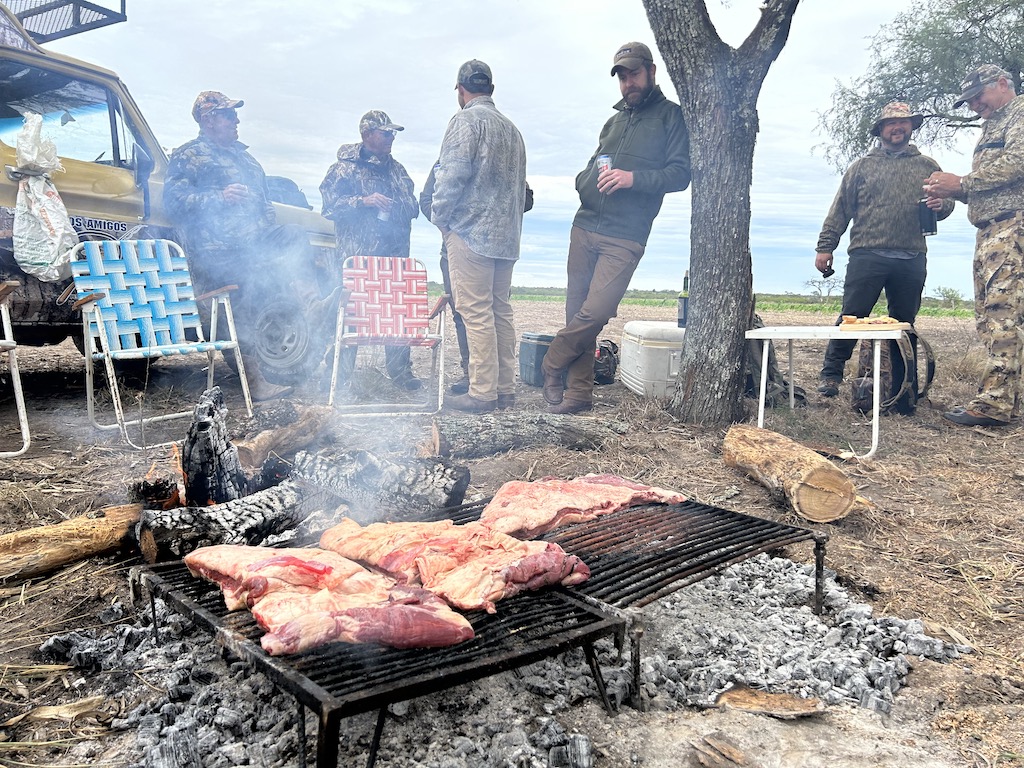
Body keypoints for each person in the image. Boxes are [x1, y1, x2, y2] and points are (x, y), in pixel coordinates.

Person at [541, 42, 690, 414]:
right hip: (585, 225)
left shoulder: (672, 117)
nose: (628, 83)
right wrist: (584, 181)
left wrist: (632, 178)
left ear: (652, 72)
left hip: (626, 235)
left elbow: (681, 174)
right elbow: (593, 164)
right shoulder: (614, 120)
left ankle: (552, 360)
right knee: (576, 312)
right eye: (622, 77)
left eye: (634, 74)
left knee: (597, 311)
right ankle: (578, 395)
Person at [164, 91, 334, 401]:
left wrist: (269, 246)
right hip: (216, 252)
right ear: (208, 118)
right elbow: (174, 203)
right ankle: (255, 381)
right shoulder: (189, 155)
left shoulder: (248, 160)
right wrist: (219, 197)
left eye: (234, 114)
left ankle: (311, 302)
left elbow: (266, 208)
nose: (236, 120)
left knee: (294, 233)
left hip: (254, 246)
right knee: (240, 296)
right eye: (229, 114)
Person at [814, 101, 955, 398]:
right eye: (891, 123)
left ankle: (903, 386)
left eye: (903, 123)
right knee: (852, 316)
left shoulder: (927, 166)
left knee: (904, 324)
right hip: (868, 253)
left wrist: (942, 205)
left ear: (911, 128)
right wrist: (826, 247)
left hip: (912, 256)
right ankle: (831, 376)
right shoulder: (862, 167)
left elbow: (946, 204)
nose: (898, 127)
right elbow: (840, 209)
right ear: (880, 130)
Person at [925, 64, 1024, 427]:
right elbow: (997, 187)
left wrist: (962, 183)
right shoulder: (993, 125)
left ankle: (993, 405)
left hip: (1013, 227)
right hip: (991, 229)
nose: (973, 106)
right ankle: (1008, 403)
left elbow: (1018, 162)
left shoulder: (1020, 113)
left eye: (977, 97)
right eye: (968, 101)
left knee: (1002, 314)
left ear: (1001, 84)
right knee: (990, 316)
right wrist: (954, 194)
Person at [430, 59, 527, 413]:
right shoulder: (512, 130)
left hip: (471, 233)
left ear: (461, 88)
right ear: (491, 88)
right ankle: (504, 390)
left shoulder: (465, 121)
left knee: (475, 312)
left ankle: (482, 393)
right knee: (500, 310)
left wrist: (441, 220)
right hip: (506, 237)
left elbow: (451, 176)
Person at [319, 110, 421, 390]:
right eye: (385, 133)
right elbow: (329, 208)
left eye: (393, 133)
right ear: (367, 135)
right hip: (357, 261)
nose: (391, 138)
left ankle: (401, 375)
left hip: (394, 259)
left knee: (396, 316)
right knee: (351, 317)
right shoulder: (344, 168)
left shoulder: (398, 170)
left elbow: (413, 207)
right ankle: (338, 377)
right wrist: (364, 201)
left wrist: (393, 205)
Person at [420, 165, 533, 397]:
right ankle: (482, 379)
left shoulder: (502, 156)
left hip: (495, 247)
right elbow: (426, 199)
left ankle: (486, 388)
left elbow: (527, 200)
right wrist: (447, 229)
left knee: (488, 312)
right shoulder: (452, 158)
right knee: (467, 314)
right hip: (463, 248)